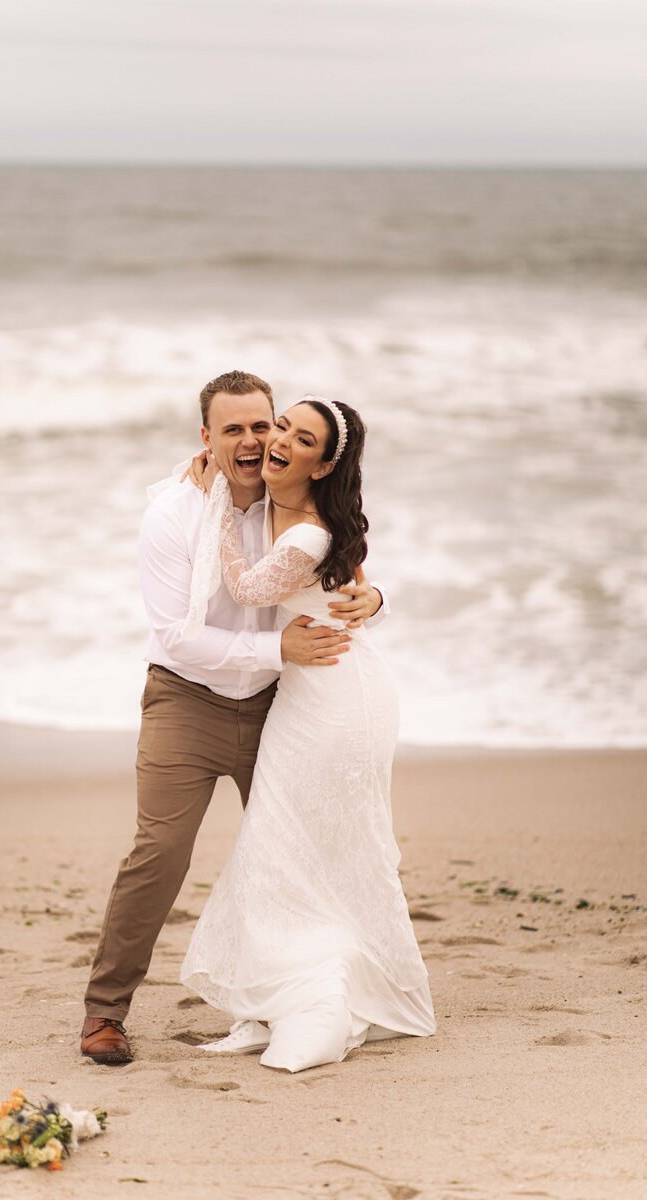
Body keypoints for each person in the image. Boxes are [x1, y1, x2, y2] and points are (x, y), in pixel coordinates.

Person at [80, 371, 387, 1064]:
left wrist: (377, 601)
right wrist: (274, 645)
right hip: (186, 701)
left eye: (263, 424)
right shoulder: (172, 514)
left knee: (298, 855)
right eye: (234, 430)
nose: (253, 441)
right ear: (207, 439)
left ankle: (301, 996)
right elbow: (176, 635)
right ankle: (105, 1014)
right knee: (159, 855)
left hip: (281, 708)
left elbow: (342, 571)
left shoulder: (300, 497)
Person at [178, 394, 436, 1072]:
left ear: (323, 465)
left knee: (290, 844)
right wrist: (375, 598)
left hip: (336, 699)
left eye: (301, 437)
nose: (281, 439)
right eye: (281, 425)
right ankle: (290, 988)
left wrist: (214, 505)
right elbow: (355, 593)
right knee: (292, 847)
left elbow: (247, 588)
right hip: (319, 688)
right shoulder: (289, 512)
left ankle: (315, 991)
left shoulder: (308, 533)